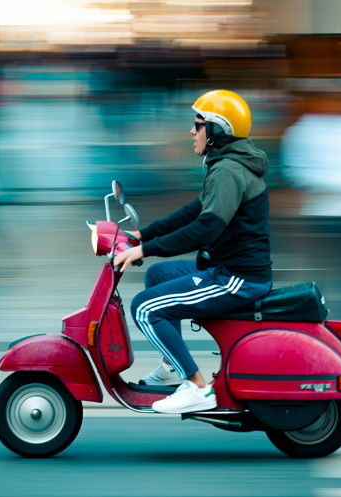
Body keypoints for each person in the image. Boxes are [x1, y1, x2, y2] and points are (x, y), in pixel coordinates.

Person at [113, 89, 273, 414]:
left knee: (145, 308)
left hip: (236, 277)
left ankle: (198, 387)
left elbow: (206, 229)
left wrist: (147, 248)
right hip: (227, 267)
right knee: (157, 276)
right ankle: (172, 366)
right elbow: (193, 213)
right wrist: (141, 235)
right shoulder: (226, 165)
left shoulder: (228, 171)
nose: (191, 131)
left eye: (198, 124)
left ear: (217, 130)